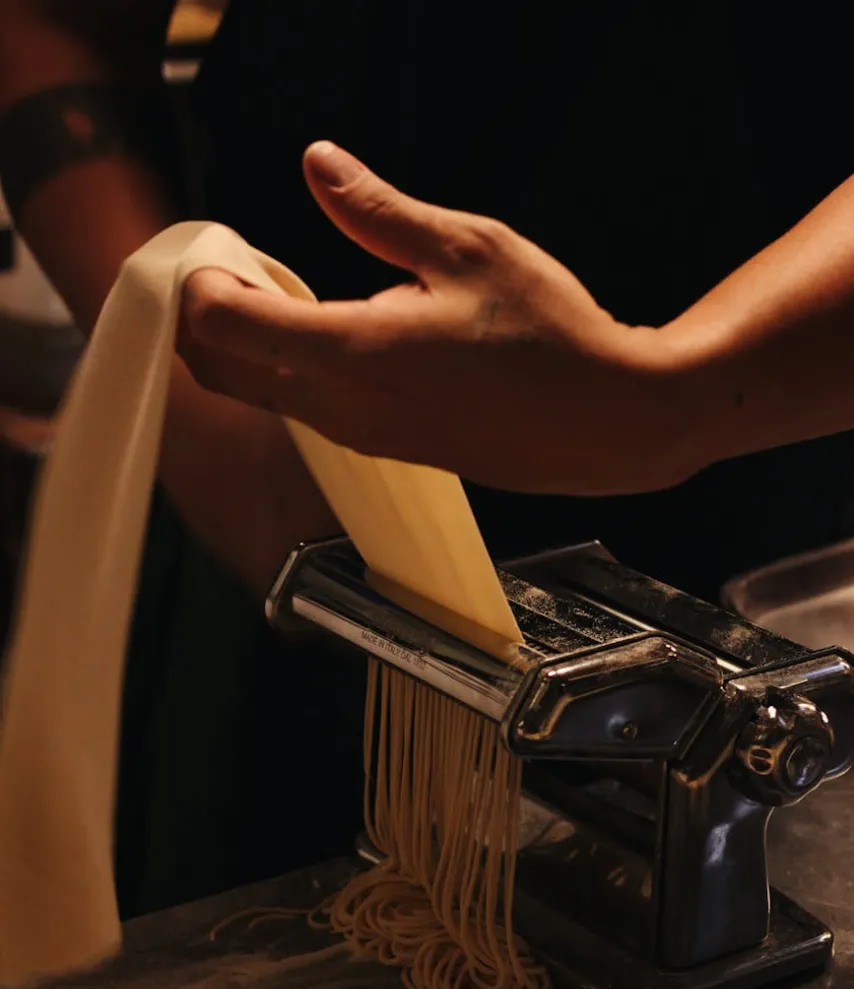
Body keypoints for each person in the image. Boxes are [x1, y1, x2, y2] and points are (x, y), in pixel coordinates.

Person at [1, 0, 852, 913]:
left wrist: (680, 393)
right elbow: (60, 23)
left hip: (766, 529)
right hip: (282, 516)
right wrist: (196, 412)